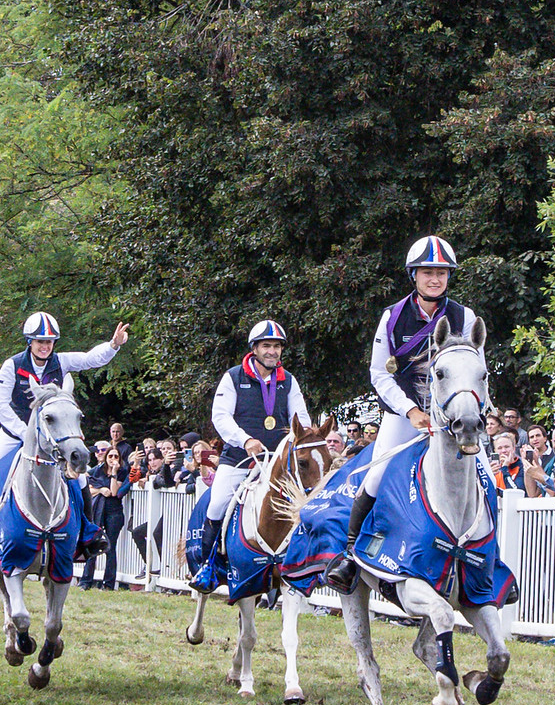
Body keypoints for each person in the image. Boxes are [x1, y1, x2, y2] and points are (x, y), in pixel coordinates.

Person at [326, 235, 486, 594]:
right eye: (428, 272)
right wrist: (411, 410)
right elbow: (379, 373)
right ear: (414, 275)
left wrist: (473, 409)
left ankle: (490, 562)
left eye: (442, 273)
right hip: (404, 412)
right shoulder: (392, 317)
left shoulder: (466, 317)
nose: (435, 279)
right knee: (377, 475)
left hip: (454, 416)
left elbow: (478, 369)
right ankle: (350, 556)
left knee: (487, 478)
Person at [0, 311, 129, 547]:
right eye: (40, 341)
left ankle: (89, 531)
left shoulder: (62, 361)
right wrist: (24, 432)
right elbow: (1, 405)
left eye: (48, 342)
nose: (45, 346)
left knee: (79, 477)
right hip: (13, 433)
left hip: (52, 436)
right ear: (30, 341)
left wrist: (112, 345)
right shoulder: (12, 365)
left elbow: (90, 359)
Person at [190, 319, 313, 592]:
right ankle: (208, 566)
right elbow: (220, 417)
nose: (272, 351)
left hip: (278, 463)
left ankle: (301, 568)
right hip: (240, 460)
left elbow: (300, 418)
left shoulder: (288, 381)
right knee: (217, 504)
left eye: (277, 346)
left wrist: (303, 438)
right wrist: (244, 440)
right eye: (267, 346)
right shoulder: (233, 377)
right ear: (254, 349)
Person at [82, 444, 132, 590]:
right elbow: (89, 489)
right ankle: (86, 581)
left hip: (114, 512)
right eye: (110, 456)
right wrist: (100, 489)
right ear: (105, 457)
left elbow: (114, 492)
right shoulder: (97, 470)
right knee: (93, 544)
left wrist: (114, 473)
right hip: (98, 510)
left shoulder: (122, 472)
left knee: (110, 547)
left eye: (116, 456)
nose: (113, 459)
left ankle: (108, 583)